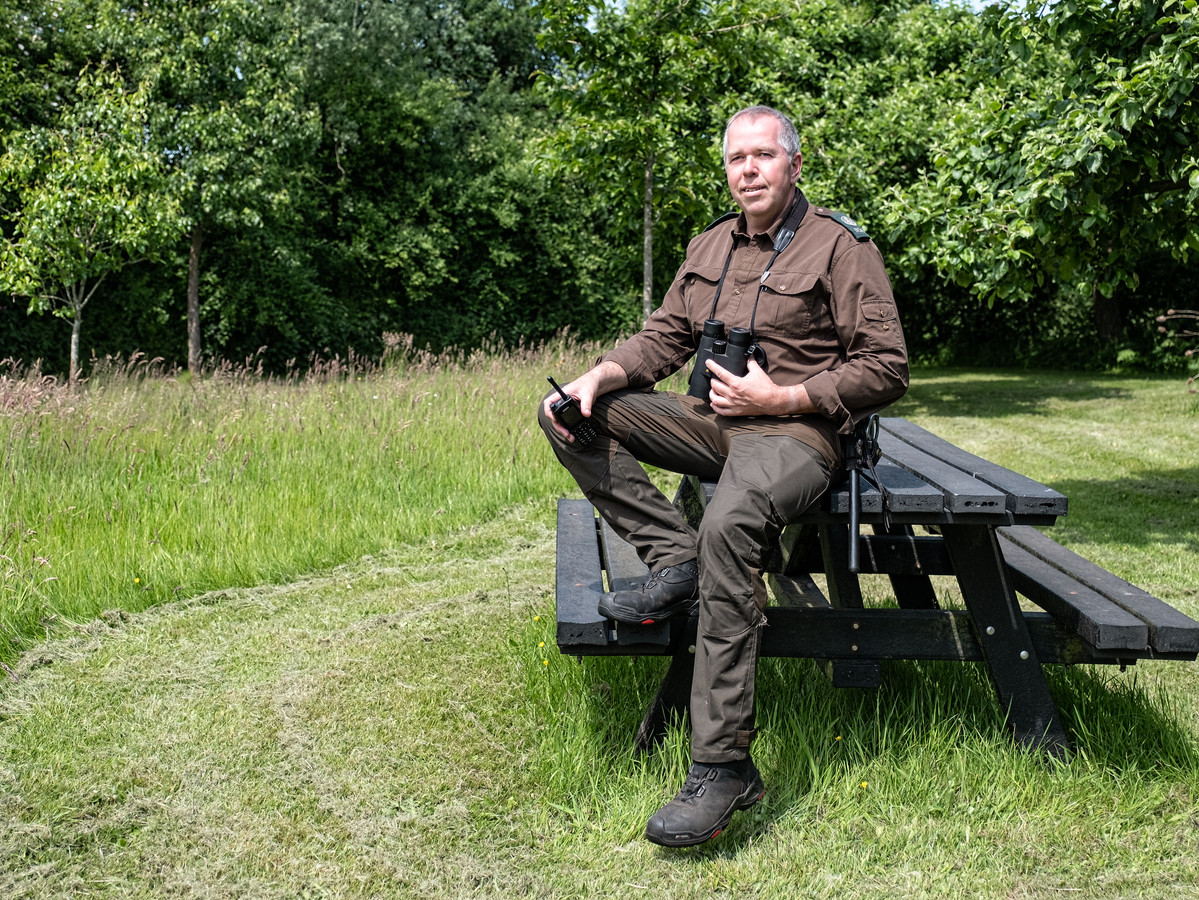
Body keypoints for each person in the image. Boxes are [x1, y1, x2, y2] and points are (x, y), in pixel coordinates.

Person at [538, 105, 909, 847]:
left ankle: (722, 765)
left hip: (795, 431)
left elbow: (886, 367)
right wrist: (597, 376)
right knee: (572, 415)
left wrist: (788, 397)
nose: (748, 169)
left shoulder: (840, 247)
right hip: (714, 422)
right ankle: (673, 560)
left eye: (763, 156)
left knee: (731, 526)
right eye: (737, 158)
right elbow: (663, 336)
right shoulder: (709, 242)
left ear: (793, 165)